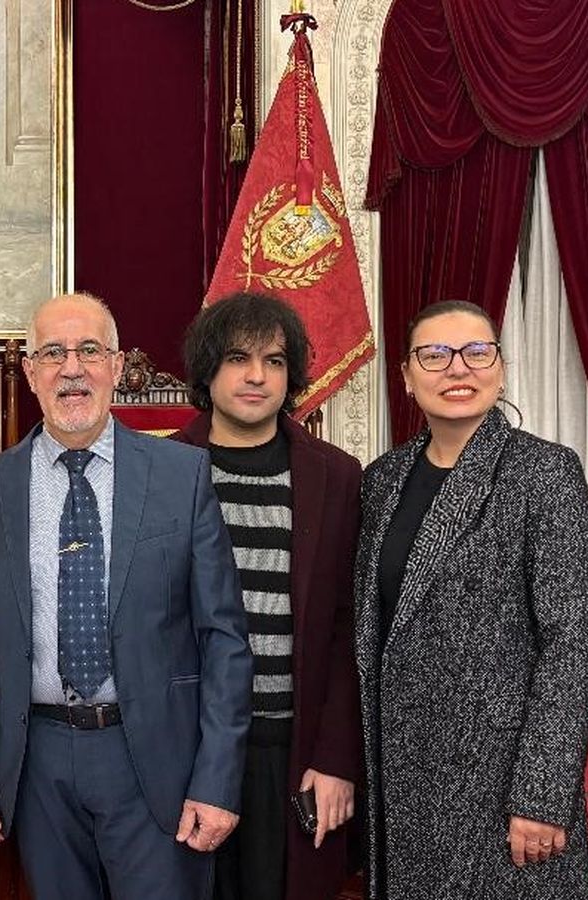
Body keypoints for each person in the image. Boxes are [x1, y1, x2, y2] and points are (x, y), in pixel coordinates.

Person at [0, 293, 253, 900]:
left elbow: (224, 639)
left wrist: (217, 779)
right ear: (31, 372)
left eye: (90, 350)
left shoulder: (182, 474)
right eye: (53, 353)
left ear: (116, 366)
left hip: (156, 761)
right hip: (35, 761)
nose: (72, 368)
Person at [356, 300, 588, 899]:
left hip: (501, 783)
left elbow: (575, 642)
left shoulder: (545, 473)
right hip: (402, 775)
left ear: (499, 367)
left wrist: (543, 792)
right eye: (435, 355)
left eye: (476, 352)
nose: (457, 369)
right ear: (407, 376)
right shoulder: (383, 478)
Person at [172, 292, 362, 900]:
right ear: (208, 370)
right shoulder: (162, 468)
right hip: (185, 748)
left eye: (275, 361)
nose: (257, 376)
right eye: (238, 358)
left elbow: (348, 628)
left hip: (294, 748)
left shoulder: (335, 475)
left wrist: (335, 758)